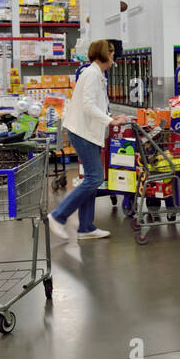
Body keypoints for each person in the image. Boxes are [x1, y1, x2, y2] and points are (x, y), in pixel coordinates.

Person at [48, 39, 130, 242]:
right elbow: (88, 106)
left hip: (88, 132)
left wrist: (111, 116)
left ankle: (85, 227)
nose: (113, 56)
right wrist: (110, 121)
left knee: (91, 179)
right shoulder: (92, 74)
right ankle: (58, 216)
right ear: (104, 53)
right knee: (95, 178)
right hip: (83, 132)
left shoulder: (97, 74)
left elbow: (97, 105)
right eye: (111, 52)